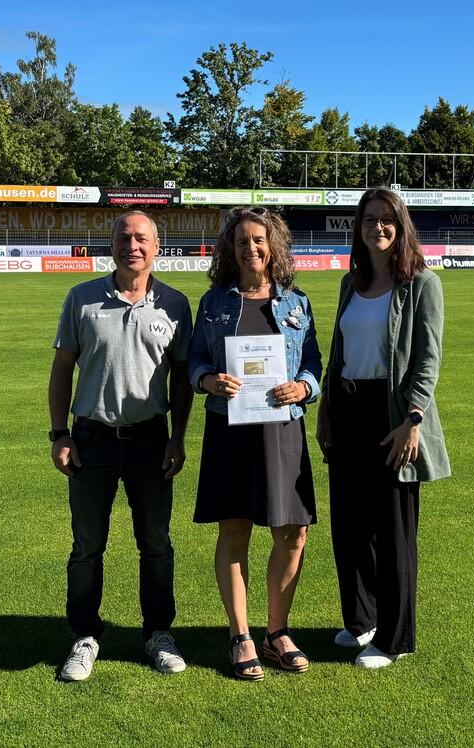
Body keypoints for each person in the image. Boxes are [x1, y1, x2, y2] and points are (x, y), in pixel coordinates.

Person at [49, 210, 193, 681]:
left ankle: (158, 633)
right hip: (91, 440)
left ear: (157, 246)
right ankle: (85, 636)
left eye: (141, 238)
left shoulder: (175, 304)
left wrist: (178, 437)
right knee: (87, 546)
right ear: (111, 245)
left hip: (151, 440)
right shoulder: (82, 298)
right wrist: (59, 433)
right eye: (124, 237)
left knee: (156, 543)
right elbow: (62, 368)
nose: (133, 245)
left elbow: (181, 379)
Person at [317, 187, 450, 669]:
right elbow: (338, 352)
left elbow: (428, 359)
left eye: (386, 218)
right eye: (369, 219)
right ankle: (362, 620)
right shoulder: (350, 283)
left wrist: (413, 418)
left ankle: (395, 638)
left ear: (401, 224)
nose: (378, 227)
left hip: (393, 414)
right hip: (347, 407)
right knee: (349, 525)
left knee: (393, 531)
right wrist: (326, 406)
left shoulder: (421, 283)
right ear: (358, 227)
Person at [189, 207, 322, 681]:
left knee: (293, 532)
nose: (251, 248)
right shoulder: (213, 303)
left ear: (274, 246)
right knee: (235, 529)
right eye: (242, 240)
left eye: (259, 240)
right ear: (230, 248)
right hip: (230, 427)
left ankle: (277, 631)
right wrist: (208, 381)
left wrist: (303, 387)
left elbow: (313, 361)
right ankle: (240, 634)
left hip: (282, 428)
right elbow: (195, 360)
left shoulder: (296, 302)